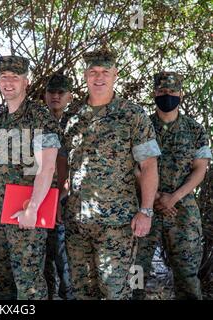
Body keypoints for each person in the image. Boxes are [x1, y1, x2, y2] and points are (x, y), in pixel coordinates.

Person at [62, 45, 161, 299]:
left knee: (114, 292)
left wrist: (146, 211)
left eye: (105, 71)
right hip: (77, 222)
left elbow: (148, 165)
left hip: (117, 223)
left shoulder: (132, 115)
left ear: (115, 75)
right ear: (85, 76)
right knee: (83, 291)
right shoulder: (72, 116)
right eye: (93, 72)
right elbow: (64, 165)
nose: (99, 77)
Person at [0, 56, 62, 300]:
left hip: (25, 211)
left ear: (25, 82)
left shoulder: (40, 117)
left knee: (28, 283)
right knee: (2, 279)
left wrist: (33, 208)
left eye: (14, 78)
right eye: (4, 77)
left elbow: (47, 168)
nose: (8, 83)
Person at [133, 71, 211, 300]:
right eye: (162, 91)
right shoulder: (141, 126)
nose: (167, 95)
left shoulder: (195, 130)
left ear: (181, 94)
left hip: (182, 211)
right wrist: (155, 196)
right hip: (145, 208)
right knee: (135, 271)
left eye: (172, 91)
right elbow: (134, 167)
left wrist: (173, 198)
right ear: (154, 94)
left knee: (187, 275)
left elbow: (200, 169)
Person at [43, 72, 74, 300]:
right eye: (51, 92)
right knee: (43, 260)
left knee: (67, 262)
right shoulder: (37, 122)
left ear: (69, 96)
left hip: (67, 203)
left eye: (60, 92)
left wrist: (62, 196)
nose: (55, 96)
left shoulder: (76, 124)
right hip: (39, 199)